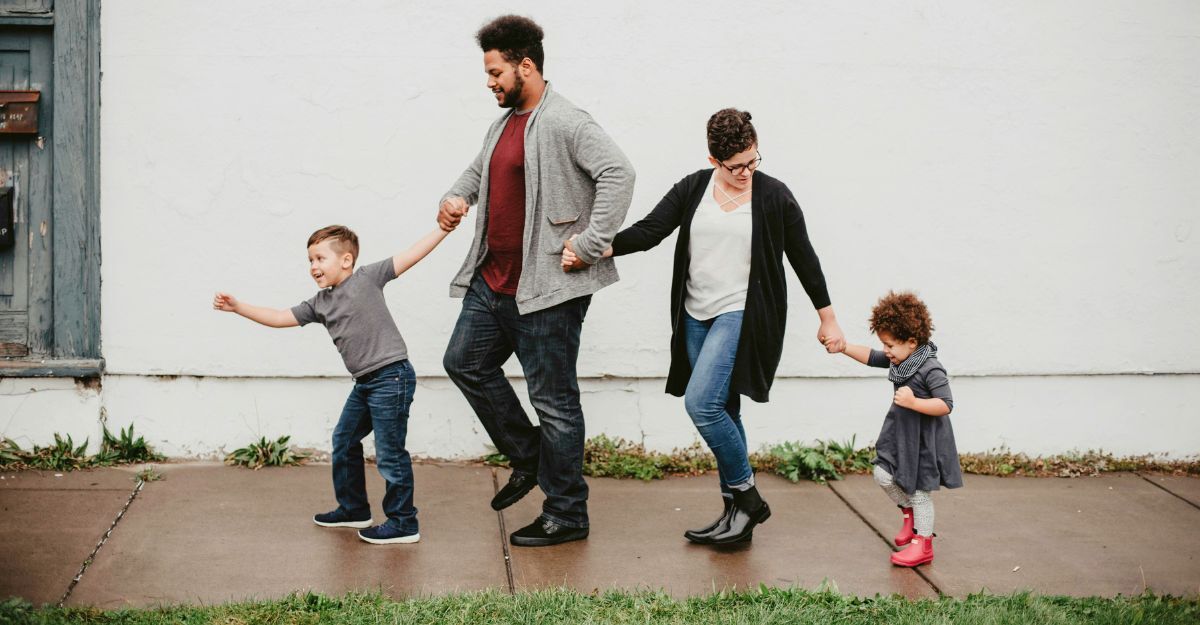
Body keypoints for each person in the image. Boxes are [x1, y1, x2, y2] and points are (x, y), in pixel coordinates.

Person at [563, 108, 845, 545]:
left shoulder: (774, 196)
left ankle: (749, 499)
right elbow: (651, 230)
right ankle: (736, 517)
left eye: (754, 161)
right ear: (715, 161)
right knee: (725, 410)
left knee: (702, 405)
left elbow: (804, 257)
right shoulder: (695, 187)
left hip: (742, 313)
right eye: (736, 167)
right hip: (695, 315)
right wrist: (595, 249)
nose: (747, 172)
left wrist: (827, 317)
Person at [437, 15, 635, 547]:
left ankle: (567, 512)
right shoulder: (503, 123)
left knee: (555, 402)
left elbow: (620, 174)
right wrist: (456, 197)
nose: (489, 81)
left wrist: (590, 243)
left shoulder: (567, 121)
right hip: (493, 282)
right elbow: (479, 171)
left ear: (526, 66)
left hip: (546, 290)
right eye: (488, 71)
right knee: (464, 363)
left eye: (496, 71)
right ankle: (529, 458)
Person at [213, 224, 449, 545]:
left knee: (390, 453)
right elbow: (281, 317)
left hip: (391, 377)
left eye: (320, 259)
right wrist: (238, 307)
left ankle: (404, 521)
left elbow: (411, 255)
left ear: (346, 260)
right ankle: (353, 509)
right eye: (310, 260)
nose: (313, 267)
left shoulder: (368, 278)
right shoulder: (320, 303)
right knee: (344, 439)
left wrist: (443, 229)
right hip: (365, 383)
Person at [829, 290, 961, 567]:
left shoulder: (930, 368)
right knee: (882, 474)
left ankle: (923, 543)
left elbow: (946, 404)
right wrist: (843, 347)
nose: (886, 351)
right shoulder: (900, 361)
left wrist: (914, 402)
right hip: (901, 434)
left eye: (890, 345)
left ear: (912, 342)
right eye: (884, 344)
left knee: (918, 491)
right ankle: (909, 515)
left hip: (924, 439)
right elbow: (871, 356)